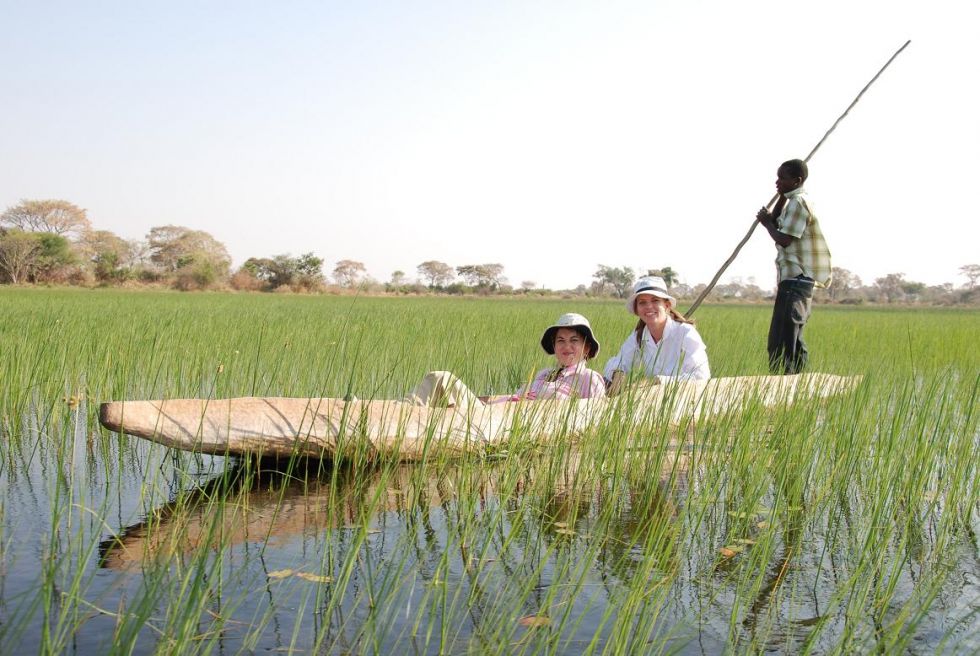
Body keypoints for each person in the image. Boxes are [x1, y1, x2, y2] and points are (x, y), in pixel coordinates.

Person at [405, 312, 606, 409]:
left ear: (586, 347)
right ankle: (404, 412)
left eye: (574, 341)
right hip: (493, 415)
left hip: (504, 424)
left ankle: (406, 414)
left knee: (443, 377)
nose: (566, 346)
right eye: (560, 341)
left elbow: (595, 413)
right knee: (439, 379)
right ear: (554, 347)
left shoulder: (589, 378)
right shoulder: (544, 374)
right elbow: (515, 397)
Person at [755, 159, 832, 374]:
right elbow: (779, 220)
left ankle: (787, 381)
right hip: (793, 280)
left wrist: (767, 224)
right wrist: (780, 199)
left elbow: (784, 238)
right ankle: (793, 379)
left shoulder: (798, 203)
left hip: (796, 280)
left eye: (782, 178)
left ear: (797, 180)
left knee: (784, 338)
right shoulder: (791, 201)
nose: (777, 181)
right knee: (789, 336)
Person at [603, 276, 710, 388]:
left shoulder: (685, 333)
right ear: (637, 309)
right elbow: (618, 363)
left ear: (667, 305)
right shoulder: (638, 337)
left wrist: (656, 381)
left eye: (655, 300)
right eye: (642, 303)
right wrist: (618, 373)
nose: (649, 306)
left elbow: (701, 376)